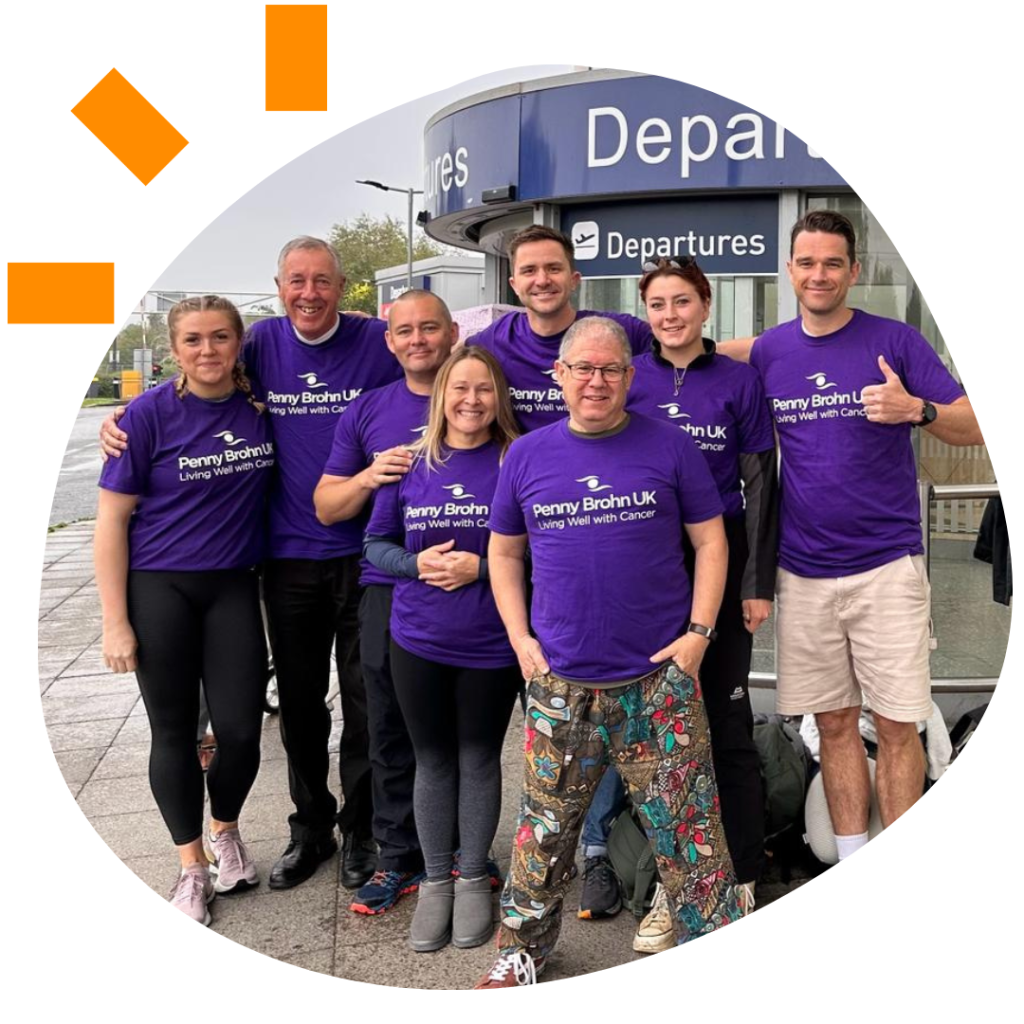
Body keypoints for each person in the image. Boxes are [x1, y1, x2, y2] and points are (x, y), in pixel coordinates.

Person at [101, 238, 403, 891]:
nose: (309, 293)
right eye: (297, 281)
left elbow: (438, 363)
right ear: (279, 285)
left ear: (343, 285)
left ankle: (362, 831)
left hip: (364, 555)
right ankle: (311, 828)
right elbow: (194, 371)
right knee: (299, 707)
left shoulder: (380, 339)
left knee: (365, 701)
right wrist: (128, 413)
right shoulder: (263, 343)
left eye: (322, 281)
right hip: (285, 558)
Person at [475, 316, 745, 988]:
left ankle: (704, 926)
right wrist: (521, 641)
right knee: (542, 830)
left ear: (629, 377)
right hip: (560, 684)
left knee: (691, 830)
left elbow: (712, 542)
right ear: (559, 376)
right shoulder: (528, 457)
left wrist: (699, 635)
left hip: (658, 681)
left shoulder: (671, 447)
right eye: (583, 369)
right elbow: (504, 552)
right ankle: (523, 952)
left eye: (611, 369)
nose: (596, 381)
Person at [725, 209, 983, 859]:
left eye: (832, 263)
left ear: (853, 271)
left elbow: (971, 423)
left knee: (899, 726)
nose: (819, 274)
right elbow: (688, 355)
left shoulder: (893, 343)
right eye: (806, 262)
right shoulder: (768, 351)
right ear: (789, 270)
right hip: (804, 572)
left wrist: (915, 410)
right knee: (834, 723)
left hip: (887, 568)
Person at [593, 255, 776, 951]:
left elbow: (760, 484)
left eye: (683, 302)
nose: (671, 315)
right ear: (647, 312)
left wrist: (757, 583)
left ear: (706, 306)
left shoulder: (738, 381)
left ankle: (740, 876)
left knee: (724, 730)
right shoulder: (628, 378)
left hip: (721, 562)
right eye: (658, 304)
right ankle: (674, 888)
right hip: (647, 564)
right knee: (654, 738)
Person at [94, 295, 274, 925]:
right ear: (175, 349)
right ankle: (190, 866)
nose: (208, 351)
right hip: (160, 589)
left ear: (238, 344)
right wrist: (115, 621)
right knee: (173, 732)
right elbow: (111, 522)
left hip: (231, 588)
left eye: (221, 338)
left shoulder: (259, 406)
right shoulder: (144, 416)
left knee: (242, 732)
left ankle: (225, 832)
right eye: (194, 340)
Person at [361, 346, 522, 953]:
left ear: (498, 397)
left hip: (490, 640)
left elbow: (542, 546)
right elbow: (375, 544)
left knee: (479, 756)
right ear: (442, 395)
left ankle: (474, 876)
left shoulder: (517, 458)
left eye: (484, 389)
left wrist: (481, 567)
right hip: (417, 637)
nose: (472, 400)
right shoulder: (411, 463)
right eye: (460, 389)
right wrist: (416, 564)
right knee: (431, 759)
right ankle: (435, 881)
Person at [313, 290, 455, 915]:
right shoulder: (367, 411)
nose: (418, 339)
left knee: (464, 732)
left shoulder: (481, 392)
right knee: (387, 725)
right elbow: (326, 506)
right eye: (405, 330)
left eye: (430, 327)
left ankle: (457, 855)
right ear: (390, 341)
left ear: (451, 332)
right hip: (389, 591)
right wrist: (371, 475)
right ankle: (395, 856)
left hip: (472, 588)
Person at [469, 224, 653, 431]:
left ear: (574, 280)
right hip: (526, 462)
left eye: (553, 269)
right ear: (514, 285)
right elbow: (447, 359)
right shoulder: (498, 337)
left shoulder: (615, 332)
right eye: (529, 271)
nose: (542, 280)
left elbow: (681, 351)